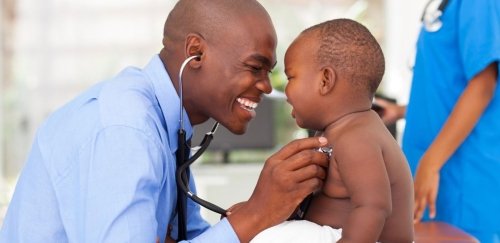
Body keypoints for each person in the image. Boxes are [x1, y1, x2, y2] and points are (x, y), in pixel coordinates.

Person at [0, 0, 330, 242]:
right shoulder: (126, 131)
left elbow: (188, 235)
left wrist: (260, 218)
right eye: (254, 67)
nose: (266, 86)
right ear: (196, 54)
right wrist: (257, 213)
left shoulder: (169, 125)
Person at [248, 19, 414, 242]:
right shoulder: (340, 130)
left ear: (325, 80)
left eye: (290, 77)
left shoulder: (357, 138)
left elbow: (374, 207)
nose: (285, 91)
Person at [375, 0, 500, 242]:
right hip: (437, 173)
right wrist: (401, 111)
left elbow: (483, 84)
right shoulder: (447, 5)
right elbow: (449, 88)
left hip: (463, 176)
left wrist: (430, 163)